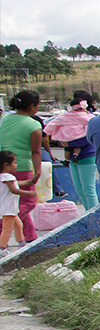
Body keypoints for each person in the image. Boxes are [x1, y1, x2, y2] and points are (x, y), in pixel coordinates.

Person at [0, 91, 42, 242]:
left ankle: (30, 238)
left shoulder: (5, 118)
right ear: (32, 106)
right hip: (21, 167)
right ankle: (4, 222)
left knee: (14, 201)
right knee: (28, 202)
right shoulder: (34, 125)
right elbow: (36, 152)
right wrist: (37, 173)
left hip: (2, 165)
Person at [45, 96, 98, 210]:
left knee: (88, 189)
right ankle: (88, 213)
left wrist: (69, 143)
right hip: (74, 160)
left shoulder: (89, 119)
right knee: (80, 190)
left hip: (87, 157)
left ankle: (95, 216)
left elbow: (87, 139)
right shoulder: (73, 118)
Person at [0, 151, 36, 257]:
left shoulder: (3, 177)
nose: (16, 165)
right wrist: (29, 193)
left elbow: (15, 183)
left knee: (18, 224)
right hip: (9, 208)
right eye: (15, 163)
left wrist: (27, 182)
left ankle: (21, 242)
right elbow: (14, 190)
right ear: (6, 165)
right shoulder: (8, 177)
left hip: (8, 208)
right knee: (7, 228)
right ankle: (2, 248)